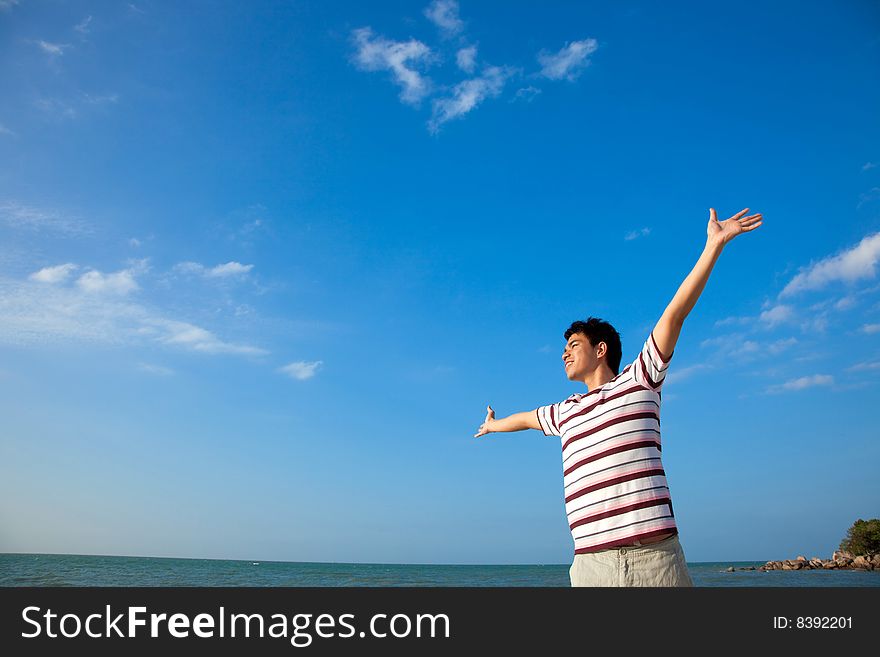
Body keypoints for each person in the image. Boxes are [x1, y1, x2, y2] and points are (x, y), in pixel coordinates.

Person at [474, 207, 763, 586]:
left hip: (654, 561)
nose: (564, 353)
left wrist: (713, 246)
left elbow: (675, 314)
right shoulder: (565, 412)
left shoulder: (640, 379)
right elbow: (527, 418)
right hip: (590, 566)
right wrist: (494, 425)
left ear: (601, 349)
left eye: (573, 344)